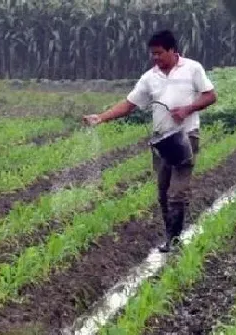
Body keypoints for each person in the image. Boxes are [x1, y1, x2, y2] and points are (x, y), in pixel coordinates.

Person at [83, 29, 217, 252]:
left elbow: (210, 95)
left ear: (173, 51)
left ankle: (173, 242)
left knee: (177, 193)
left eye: (159, 53)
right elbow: (129, 105)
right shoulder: (149, 78)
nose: (155, 58)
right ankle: (171, 234)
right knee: (163, 193)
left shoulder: (193, 69)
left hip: (186, 137)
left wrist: (188, 109)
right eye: (152, 54)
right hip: (162, 142)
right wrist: (101, 117)